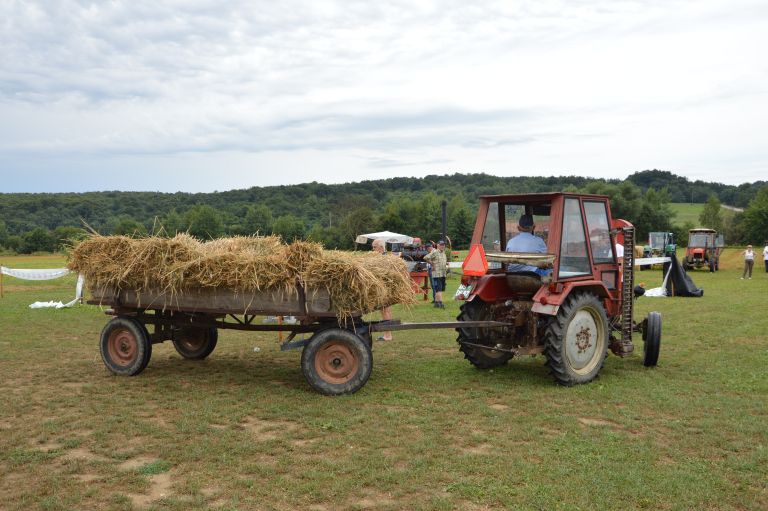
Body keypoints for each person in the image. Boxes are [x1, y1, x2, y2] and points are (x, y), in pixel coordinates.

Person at [372, 239, 393, 341]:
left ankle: (388, 335)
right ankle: (388, 334)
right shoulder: (384, 257)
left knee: (385, 311)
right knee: (386, 310)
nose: (373, 249)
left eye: (374, 247)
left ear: (381, 247)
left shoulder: (384, 259)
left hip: (384, 289)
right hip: (384, 288)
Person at [424, 240, 447, 309]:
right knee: (439, 289)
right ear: (438, 245)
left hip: (443, 273)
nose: (443, 246)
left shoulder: (443, 253)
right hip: (437, 274)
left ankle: (436, 303)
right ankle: (440, 303)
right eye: (441, 245)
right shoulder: (435, 252)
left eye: (443, 245)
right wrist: (432, 264)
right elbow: (426, 257)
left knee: (439, 289)